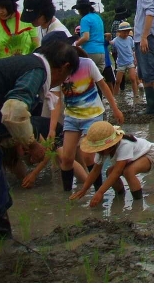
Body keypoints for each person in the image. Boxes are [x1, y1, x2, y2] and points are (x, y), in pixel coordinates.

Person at [0, 39, 79, 274]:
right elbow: (14, 110)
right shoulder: (36, 71)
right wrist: (32, 144)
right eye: (65, 77)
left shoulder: (27, 64)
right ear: (64, 67)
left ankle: (3, 242)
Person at [45, 32, 125, 193]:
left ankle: (98, 193)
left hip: (93, 115)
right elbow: (56, 101)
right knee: (67, 158)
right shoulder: (55, 71)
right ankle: (68, 197)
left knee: (89, 156)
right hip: (72, 117)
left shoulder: (87, 64)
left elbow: (103, 86)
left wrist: (115, 109)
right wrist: (52, 128)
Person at [70, 121, 154, 206]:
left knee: (128, 172)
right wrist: (84, 189)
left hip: (149, 153)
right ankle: (120, 197)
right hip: (132, 158)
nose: (98, 152)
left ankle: (138, 203)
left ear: (110, 146)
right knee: (109, 172)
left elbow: (117, 172)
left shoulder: (124, 145)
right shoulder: (101, 151)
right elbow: (95, 171)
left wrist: (100, 192)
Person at [72, 0, 106, 73]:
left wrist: (75, 45)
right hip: (101, 52)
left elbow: (86, 37)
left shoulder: (85, 19)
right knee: (98, 80)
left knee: (86, 80)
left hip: (90, 52)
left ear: (81, 10)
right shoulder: (97, 17)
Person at [111, 22, 139, 99]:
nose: (126, 33)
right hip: (121, 62)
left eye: (127, 31)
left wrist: (135, 58)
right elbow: (109, 43)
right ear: (119, 32)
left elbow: (133, 50)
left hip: (130, 61)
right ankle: (115, 96)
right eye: (124, 32)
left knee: (133, 78)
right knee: (117, 81)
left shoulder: (130, 39)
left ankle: (136, 95)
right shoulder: (116, 40)